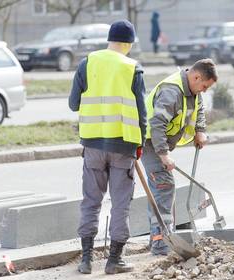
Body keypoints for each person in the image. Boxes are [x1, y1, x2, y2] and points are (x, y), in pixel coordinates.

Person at [68, 20, 147, 275]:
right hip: (123, 146)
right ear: (129, 43)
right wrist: (140, 144)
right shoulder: (132, 68)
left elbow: (73, 104)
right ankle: (114, 261)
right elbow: (141, 112)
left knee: (91, 201)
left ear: (109, 40)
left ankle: (86, 259)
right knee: (120, 204)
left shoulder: (87, 63)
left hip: (92, 145)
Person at [141, 58, 218, 255]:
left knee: (163, 191)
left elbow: (198, 109)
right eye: (204, 85)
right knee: (164, 187)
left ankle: (160, 240)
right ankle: (161, 246)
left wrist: (200, 130)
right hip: (151, 143)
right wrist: (163, 154)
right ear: (196, 76)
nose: (204, 90)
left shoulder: (192, 90)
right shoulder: (171, 91)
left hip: (161, 143)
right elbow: (157, 124)